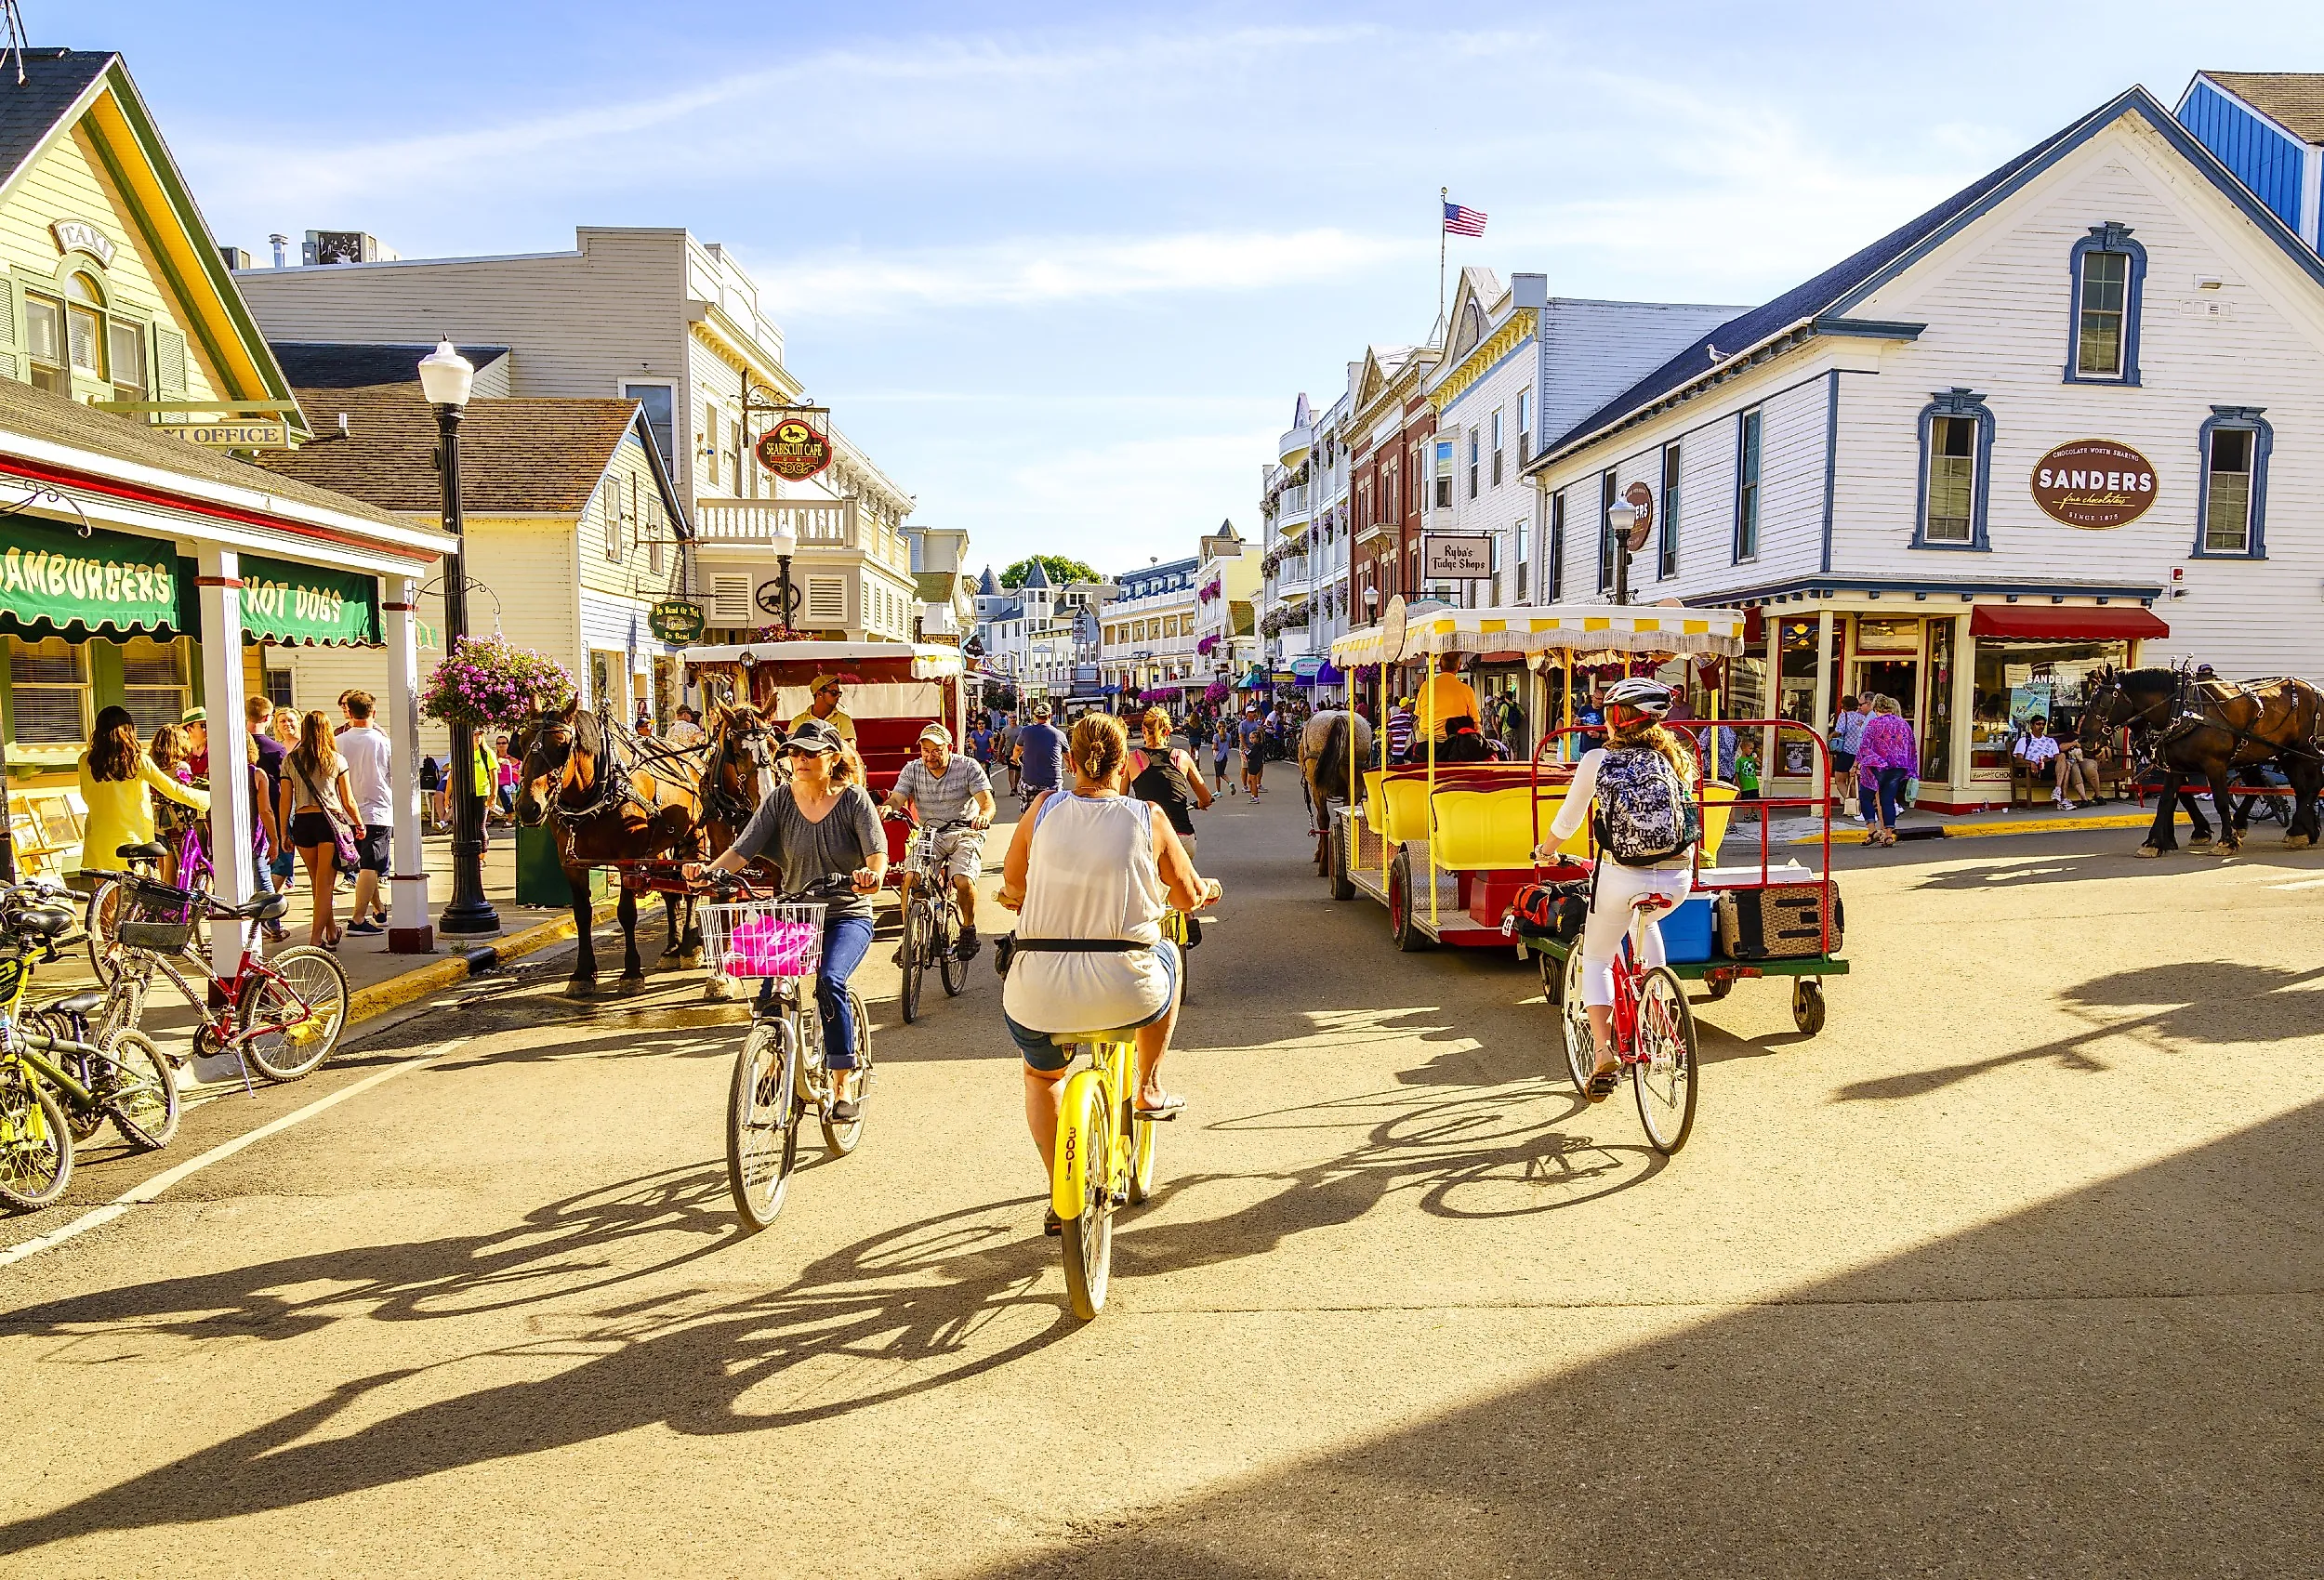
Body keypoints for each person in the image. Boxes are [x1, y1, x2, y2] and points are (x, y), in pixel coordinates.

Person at [997, 713, 1220, 1233]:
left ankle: (1060, 1191)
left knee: (1041, 1075)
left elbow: (1013, 882)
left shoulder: (1042, 809)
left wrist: (1019, 898)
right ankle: (1147, 1084)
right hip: (1127, 989)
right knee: (1168, 955)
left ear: (1069, 762)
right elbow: (1186, 897)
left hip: (1039, 992)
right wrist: (1203, 890)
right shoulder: (1150, 819)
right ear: (1125, 765)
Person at [690, 718, 883, 1122]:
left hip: (846, 913)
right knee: (771, 990)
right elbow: (741, 851)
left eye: (811, 753)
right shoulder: (779, 799)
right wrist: (709, 871)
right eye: (795, 751)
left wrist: (871, 875)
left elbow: (876, 856)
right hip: (795, 911)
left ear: (832, 758)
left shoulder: (855, 800)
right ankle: (778, 1058)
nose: (800, 759)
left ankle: (842, 1082)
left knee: (831, 981)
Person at [1529, 677, 1698, 1102]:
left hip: (1622, 874)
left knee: (1600, 956)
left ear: (1618, 720)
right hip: (1678, 877)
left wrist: (1545, 852)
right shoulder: (1676, 759)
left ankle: (1604, 1050)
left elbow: (1568, 821)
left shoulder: (1597, 760)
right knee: (1649, 921)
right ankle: (1657, 1003)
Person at [883, 723, 996, 961]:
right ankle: (909, 938)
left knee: (962, 880)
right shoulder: (912, 769)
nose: (930, 756)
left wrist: (983, 816)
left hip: (964, 831)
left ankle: (967, 929)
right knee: (911, 877)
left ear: (949, 748)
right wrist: (887, 808)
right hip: (929, 834)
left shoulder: (967, 767)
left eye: (936, 750)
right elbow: (897, 798)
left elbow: (987, 803)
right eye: (925, 750)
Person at [75, 705, 208, 876]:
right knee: (131, 897)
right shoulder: (137, 761)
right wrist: (206, 799)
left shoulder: (85, 760)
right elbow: (172, 789)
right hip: (132, 840)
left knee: (104, 899)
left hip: (97, 838)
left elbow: (86, 795)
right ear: (129, 730)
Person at [282, 709, 365, 949]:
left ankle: (330, 931)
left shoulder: (291, 760)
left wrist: (284, 831)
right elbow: (347, 799)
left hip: (303, 822)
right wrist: (358, 823)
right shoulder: (336, 760)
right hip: (329, 823)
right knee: (326, 883)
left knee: (316, 882)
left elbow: (285, 800)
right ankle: (315, 938)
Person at [336, 691, 395, 936]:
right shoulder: (382, 742)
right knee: (371, 865)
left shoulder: (338, 742)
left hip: (346, 810)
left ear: (349, 712)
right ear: (374, 712)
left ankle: (378, 908)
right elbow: (393, 774)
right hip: (377, 809)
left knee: (365, 866)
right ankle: (357, 918)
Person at [1856, 695, 1916, 847]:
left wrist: (1859, 764)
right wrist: (1911, 770)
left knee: (1865, 797)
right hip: (1898, 768)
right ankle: (1889, 834)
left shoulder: (1873, 723)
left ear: (1876, 708)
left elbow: (1864, 747)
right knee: (1888, 800)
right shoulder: (1904, 724)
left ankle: (1872, 830)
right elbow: (1912, 748)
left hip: (1876, 767)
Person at [1015, 701, 1067, 799]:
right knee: (1053, 812)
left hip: (1030, 782)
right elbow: (1068, 757)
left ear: (1035, 716)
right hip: (1052, 784)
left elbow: (1017, 750)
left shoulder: (1026, 731)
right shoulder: (1059, 734)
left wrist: (1015, 758)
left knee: (1027, 812)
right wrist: (1070, 767)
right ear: (1050, 716)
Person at [790, 673, 857, 744]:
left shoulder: (844, 721)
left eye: (839, 693)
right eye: (834, 693)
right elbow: (792, 750)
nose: (838, 696)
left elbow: (850, 750)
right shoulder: (797, 722)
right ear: (819, 694)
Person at [2013, 715, 2063, 808]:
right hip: (2037, 770)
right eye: (2038, 724)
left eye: (2043, 724)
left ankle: (2058, 790)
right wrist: (2031, 763)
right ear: (2031, 725)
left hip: (2052, 768)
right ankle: (2062, 797)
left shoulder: (2050, 741)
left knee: (2063, 759)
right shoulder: (2024, 740)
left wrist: (2050, 759)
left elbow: (2057, 757)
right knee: (2066, 767)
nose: (2041, 727)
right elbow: (2018, 760)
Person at [1830, 694, 1867, 817]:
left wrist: (1830, 736)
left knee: (1840, 780)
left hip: (1845, 751)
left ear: (1843, 706)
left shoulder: (1843, 716)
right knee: (1854, 780)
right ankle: (1857, 806)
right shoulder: (1862, 717)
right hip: (1859, 753)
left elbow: (1839, 731)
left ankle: (1849, 804)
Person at [1237, 704, 1269, 797]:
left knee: (1259, 765)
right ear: (1248, 714)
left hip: (1256, 747)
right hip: (1246, 746)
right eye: (1252, 712)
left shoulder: (1256, 723)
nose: (1254, 713)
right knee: (1245, 766)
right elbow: (1241, 737)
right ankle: (1245, 786)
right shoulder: (1243, 724)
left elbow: (1260, 734)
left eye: (1255, 711)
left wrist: (1261, 730)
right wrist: (1246, 748)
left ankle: (1258, 784)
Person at [1735, 735, 1763, 820]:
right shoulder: (1739, 761)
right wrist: (1738, 784)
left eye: (1752, 749)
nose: (1751, 750)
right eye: (1750, 748)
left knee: (1755, 799)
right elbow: (1736, 773)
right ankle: (1746, 815)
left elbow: (1759, 767)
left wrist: (1758, 761)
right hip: (1745, 785)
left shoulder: (1752, 759)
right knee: (1746, 801)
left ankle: (1753, 813)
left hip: (1754, 784)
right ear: (1744, 748)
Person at [1384, 696, 1416, 766]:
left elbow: (1390, 737)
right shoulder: (1410, 718)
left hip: (1396, 751)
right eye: (1411, 705)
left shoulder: (1393, 719)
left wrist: (1394, 747)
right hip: (1408, 751)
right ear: (1407, 706)